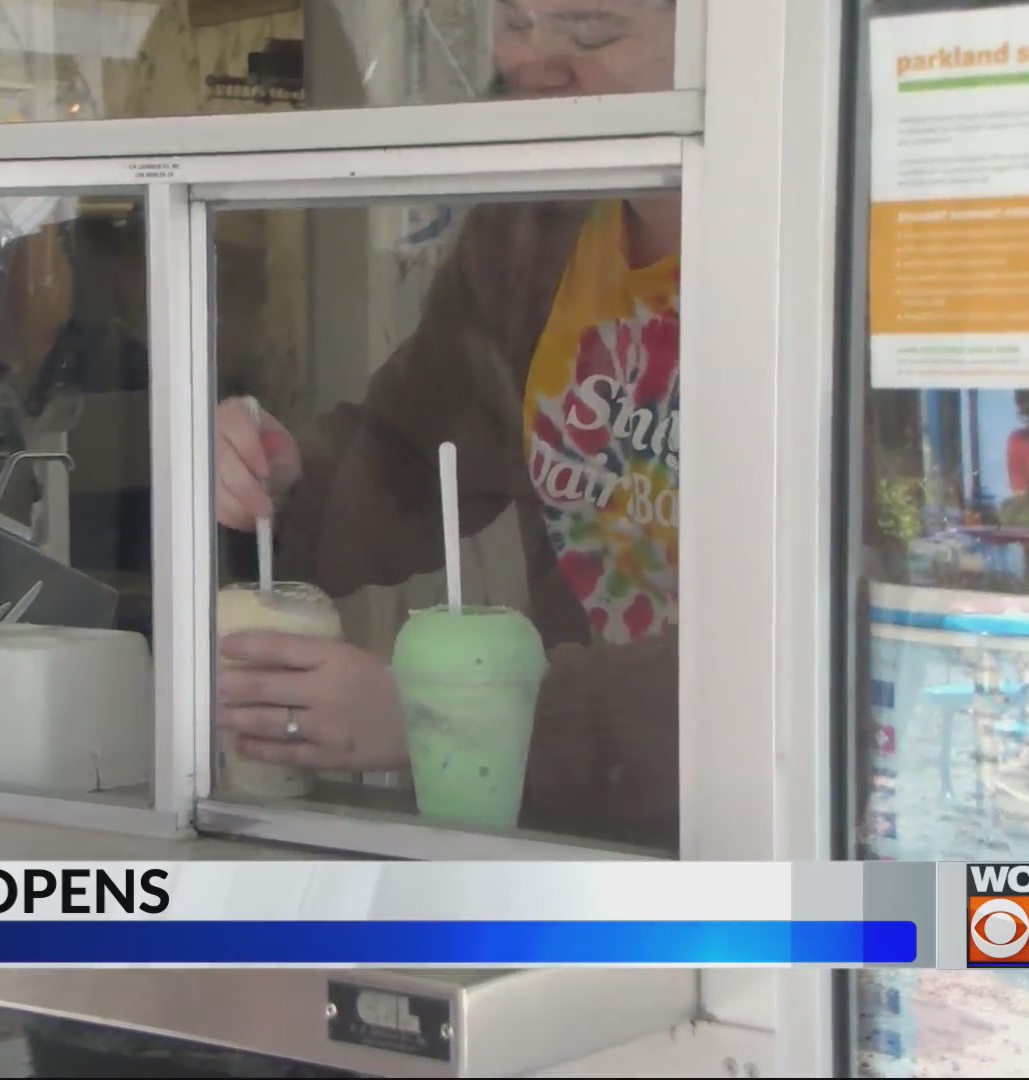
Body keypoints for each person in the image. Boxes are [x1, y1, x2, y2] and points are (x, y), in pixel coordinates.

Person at [213, 0, 682, 848]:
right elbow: (412, 449)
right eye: (516, 20)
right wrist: (276, 485)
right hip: (578, 839)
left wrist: (447, 718)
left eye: (592, 28)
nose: (532, 61)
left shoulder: (834, 257)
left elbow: (811, 650)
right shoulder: (535, 232)